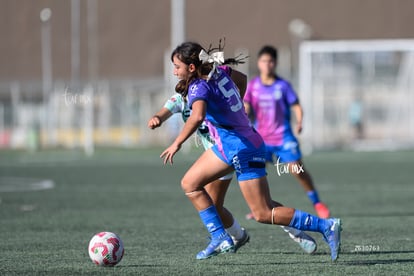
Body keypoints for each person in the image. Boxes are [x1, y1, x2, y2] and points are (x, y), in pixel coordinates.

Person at [160, 41, 341, 261]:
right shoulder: (219, 71)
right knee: (190, 183)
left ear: (190, 67)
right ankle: (219, 236)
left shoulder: (199, 85)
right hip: (232, 145)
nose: (174, 71)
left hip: (241, 148)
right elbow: (242, 80)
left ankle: (326, 226)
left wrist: (176, 142)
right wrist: (234, 108)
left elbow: (197, 116)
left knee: (263, 213)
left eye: (177, 66)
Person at [244, 45, 331, 220]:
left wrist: (300, 121)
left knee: (297, 170)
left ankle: (317, 203)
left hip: (283, 137)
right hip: (261, 139)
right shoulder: (253, 85)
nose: (266, 64)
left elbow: (296, 105)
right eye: (263, 61)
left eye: (270, 61)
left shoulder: (283, 86)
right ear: (259, 63)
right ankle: (259, 207)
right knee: (254, 173)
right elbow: (246, 105)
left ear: (274, 63)